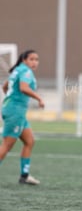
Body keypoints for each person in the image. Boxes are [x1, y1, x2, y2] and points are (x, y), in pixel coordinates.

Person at [0, 50, 44, 185]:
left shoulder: (18, 70)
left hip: (14, 110)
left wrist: (10, 98)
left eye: (36, 59)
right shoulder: (26, 71)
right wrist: (39, 98)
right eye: (31, 59)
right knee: (7, 145)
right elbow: (23, 88)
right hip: (15, 112)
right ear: (24, 60)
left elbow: (5, 86)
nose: (34, 62)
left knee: (29, 141)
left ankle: (24, 176)